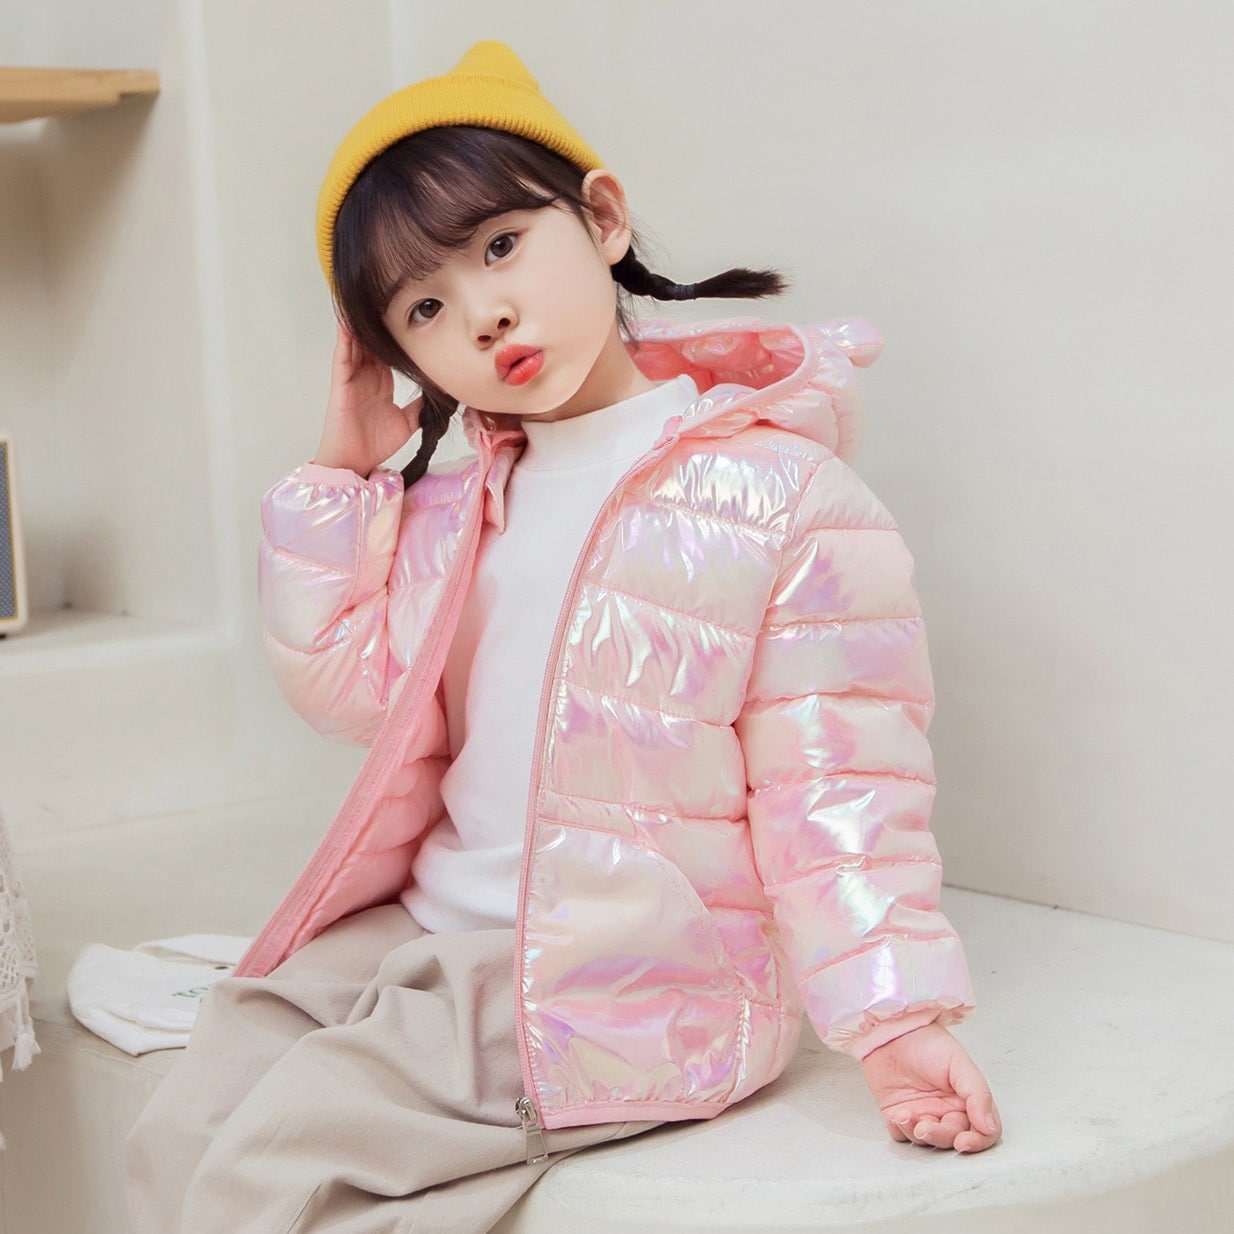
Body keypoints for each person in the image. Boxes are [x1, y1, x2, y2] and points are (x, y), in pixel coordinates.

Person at [125, 39, 1001, 1234]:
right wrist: (339, 472)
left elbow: (838, 785)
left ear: (602, 217)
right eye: (423, 308)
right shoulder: (457, 506)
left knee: (272, 1164)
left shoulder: (787, 500)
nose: (482, 314)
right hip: (429, 926)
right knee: (185, 1117)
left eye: (499, 247)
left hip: (618, 974)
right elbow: (352, 695)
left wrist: (895, 1021)